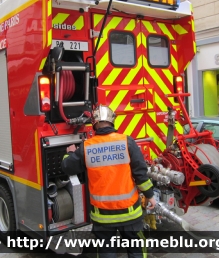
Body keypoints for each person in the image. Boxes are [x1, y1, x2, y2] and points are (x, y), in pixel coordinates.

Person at [61, 105, 156, 258]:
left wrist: (70, 153)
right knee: (136, 251)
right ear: (112, 122)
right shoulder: (127, 142)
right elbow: (140, 173)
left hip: (103, 217)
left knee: (106, 252)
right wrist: (150, 195)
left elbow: (67, 167)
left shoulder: (87, 147)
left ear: (95, 123)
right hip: (130, 214)